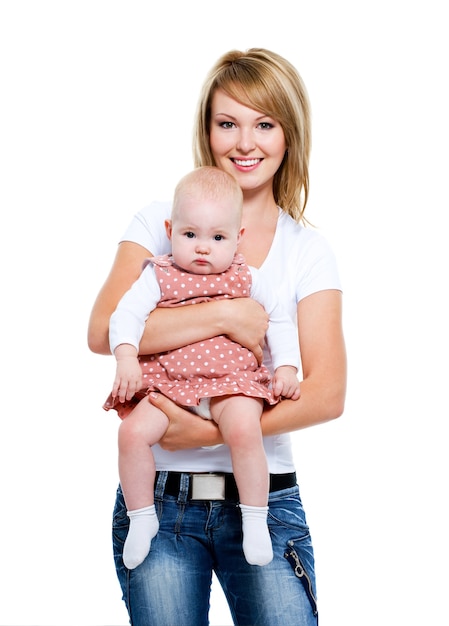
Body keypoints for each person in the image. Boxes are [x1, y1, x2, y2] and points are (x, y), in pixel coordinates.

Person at [88, 47, 346, 626]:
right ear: (207, 130)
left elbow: (327, 392)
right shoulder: (164, 219)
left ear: (289, 133)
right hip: (159, 501)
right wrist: (228, 317)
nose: (245, 142)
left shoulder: (306, 250)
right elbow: (105, 330)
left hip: (265, 499)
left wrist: (202, 432)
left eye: (264, 124)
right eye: (227, 123)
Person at [104, 165, 301, 570]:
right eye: (189, 235)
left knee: (245, 431)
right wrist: (126, 356)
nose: (202, 248)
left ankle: (255, 519)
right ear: (169, 229)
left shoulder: (248, 277)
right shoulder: (159, 274)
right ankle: (142, 518)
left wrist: (287, 368)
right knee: (131, 434)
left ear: (238, 238)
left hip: (232, 384)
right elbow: (124, 316)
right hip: (168, 384)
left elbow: (280, 319)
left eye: (218, 237)